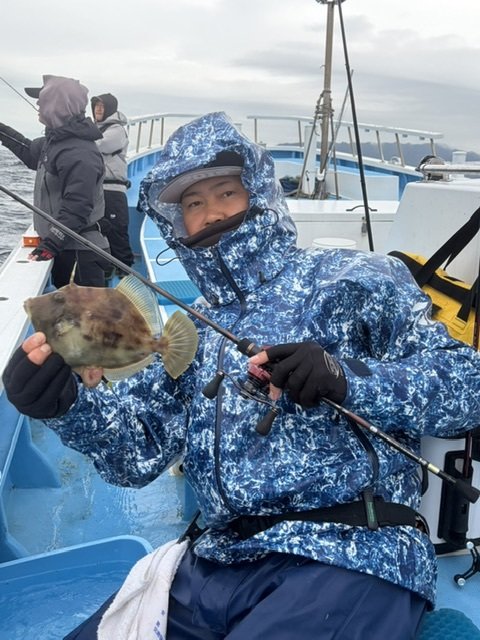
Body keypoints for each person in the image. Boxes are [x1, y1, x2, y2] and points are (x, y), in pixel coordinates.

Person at [3, 111, 480, 640]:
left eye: (226, 192)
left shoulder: (358, 278)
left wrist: (347, 378)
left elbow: (467, 386)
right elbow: (137, 453)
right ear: (177, 222)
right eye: (192, 204)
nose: (210, 213)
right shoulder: (192, 328)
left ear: (258, 191)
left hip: (351, 552)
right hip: (215, 558)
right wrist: (66, 406)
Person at [0, 74, 109, 288]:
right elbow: (29, 151)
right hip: (66, 250)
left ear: (56, 106)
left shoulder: (79, 152)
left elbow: (78, 205)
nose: (38, 104)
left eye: (42, 99)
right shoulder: (56, 142)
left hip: (80, 256)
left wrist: (51, 244)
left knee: (83, 312)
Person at [91, 93, 134, 273]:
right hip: (97, 189)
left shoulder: (116, 129)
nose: (98, 109)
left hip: (113, 189)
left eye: (102, 106)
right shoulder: (94, 128)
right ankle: (107, 268)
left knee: (117, 230)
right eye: (96, 106)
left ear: (110, 108)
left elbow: (102, 145)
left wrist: (79, 138)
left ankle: (125, 270)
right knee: (100, 229)